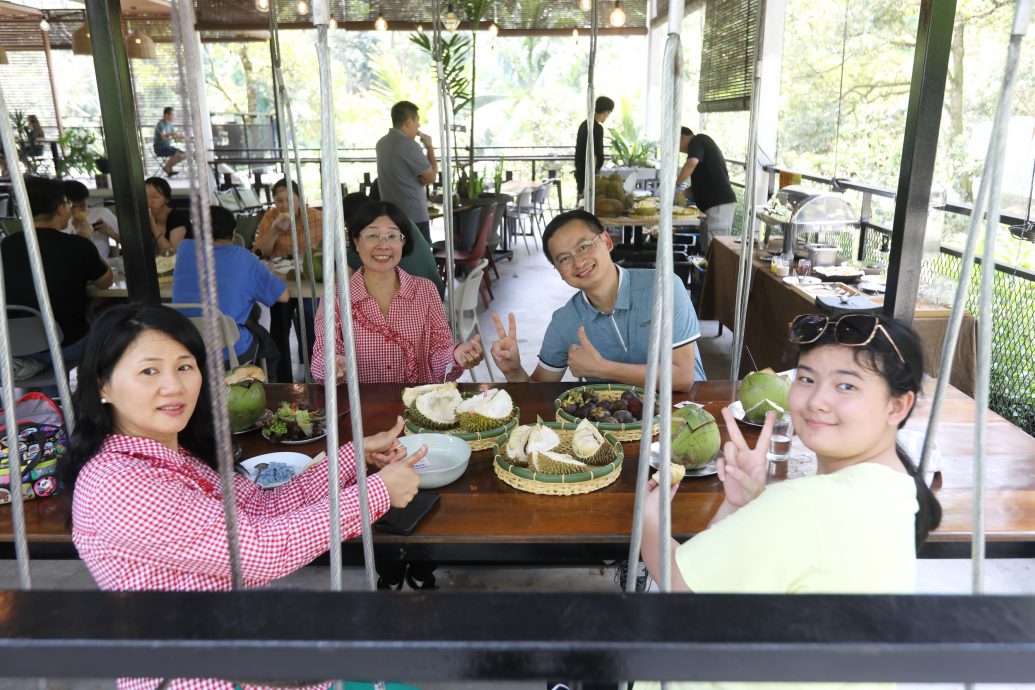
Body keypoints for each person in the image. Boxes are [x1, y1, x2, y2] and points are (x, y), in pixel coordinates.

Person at [62, 304, 424, 690]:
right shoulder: (118, 484)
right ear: (103, 385)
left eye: (185, 366)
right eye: (149, 370)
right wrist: (377, 493)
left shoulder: (176, 458)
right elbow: (258, 551)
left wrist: (354, 457)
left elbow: (264, 506)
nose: (173, 385)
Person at [636, 314, 942, 689]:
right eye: (807, 379)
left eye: (846, 386)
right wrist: (743, 507)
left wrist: (650, 520)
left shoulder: (807, 505)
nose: (817, 401)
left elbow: (680, 583)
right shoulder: (899, 490)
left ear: (898, 406)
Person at [490, 209, 705, 393]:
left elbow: (684, 377)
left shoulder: (663, 287)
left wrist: (602, 368)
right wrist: (513, 370)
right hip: (614, 428)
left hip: (685, 417)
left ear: (607, 241)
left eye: (584, 246)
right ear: (559, 272)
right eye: (564, 259)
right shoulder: (565, 321)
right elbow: (537, 391)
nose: (578, 262)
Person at [310, 200, 484, 386]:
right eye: (372, 235)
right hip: (359, 411)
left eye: (392, 236)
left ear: (403, 242)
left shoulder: (425, 291)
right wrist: (331, 364)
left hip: (416, 409)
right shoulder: (336, 298)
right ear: (356, 241)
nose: (383, 245)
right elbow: (322, 354)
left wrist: (455, 355)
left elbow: (440, 362)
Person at [0, 177, 112, 368]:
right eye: (68, 204)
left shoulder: (6, 245)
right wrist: (86, 238)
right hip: (66, 345)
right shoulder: (78, 245)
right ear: (60, 208)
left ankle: (48, 397)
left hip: (16, 348)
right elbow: (105, 282)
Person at [172, 206, 288, 379]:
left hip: (187, 344)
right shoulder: (244, 258)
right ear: (234, 233)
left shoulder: (184, 249)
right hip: (226, 350)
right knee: (265, 341)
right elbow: (283, 297)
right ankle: (263, 392)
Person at [254, 177, 323, 382]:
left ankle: (315, 369)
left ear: (300, 199)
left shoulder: (315, 219)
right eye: (279, 201)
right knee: (279, 317)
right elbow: (261, 252)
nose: (283, 205)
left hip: (309, 281)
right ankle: (283, 378)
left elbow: (320, 256)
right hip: (282, 282)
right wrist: (275, 230)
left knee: (312, 314)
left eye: (288, 200)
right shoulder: (270, 217)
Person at [342, 191, 445, 298]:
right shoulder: (400, 221)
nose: (383, 245)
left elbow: (341, 279)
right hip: (437, 291)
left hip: (420, 298)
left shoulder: (361, 244)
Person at [375, 101, 438, 244]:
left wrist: (424, 177)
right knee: (419, 258)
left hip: (391, 215)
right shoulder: (410, 146)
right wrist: (429, 147)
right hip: (414, 215)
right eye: (417, 121)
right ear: (409, 122)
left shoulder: (381, 143)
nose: (419, 126)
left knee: (399, 257)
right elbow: (432, 177)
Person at [676, 126, 737, 252]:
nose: (677, 149)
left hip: (719, 204)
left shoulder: (698, 140)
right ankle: (707, 271)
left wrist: (676, 184)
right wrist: (680, 194)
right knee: (707, 250)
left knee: (716, 251)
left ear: (682, 137)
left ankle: (717, 272)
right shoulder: (700, 148)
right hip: (711, 207)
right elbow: (701, 184)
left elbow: (691, 163)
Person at [62, 180, 120, 259]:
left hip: (99, 264)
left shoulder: (101, 213)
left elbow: (131, 243)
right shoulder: (59, 220)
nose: (77, 211)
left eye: (82, 205)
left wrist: (109, 232)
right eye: (72, 207)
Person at [574, 96, 614, 200]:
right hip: (588, 173)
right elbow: (595, 154)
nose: (607, 117)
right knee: (589, 203)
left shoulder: (584, 125)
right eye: (608, 114)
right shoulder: (597, 128)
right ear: (605, 112)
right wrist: (593, 177)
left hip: (580, 172)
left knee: (582, 202)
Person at [145, 176, 192, 252]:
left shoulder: (177, 219)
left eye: (155, 197)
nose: (149, 201)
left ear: (167, 199)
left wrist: (153, 226)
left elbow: (172, 253)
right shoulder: (147, 217)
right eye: (145, 197)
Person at [153, 106, 185, 177]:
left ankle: (167, 167)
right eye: (172, 115)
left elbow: (175, 137)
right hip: (159, 148)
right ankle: (168, 168)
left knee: (184, 154)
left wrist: (183, 137)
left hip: (167, 147)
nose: (174, 116)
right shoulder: (160, 124)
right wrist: (172, 134)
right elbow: (164, 135)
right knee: (177, 153)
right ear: (166, 115)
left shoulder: (170, 125)